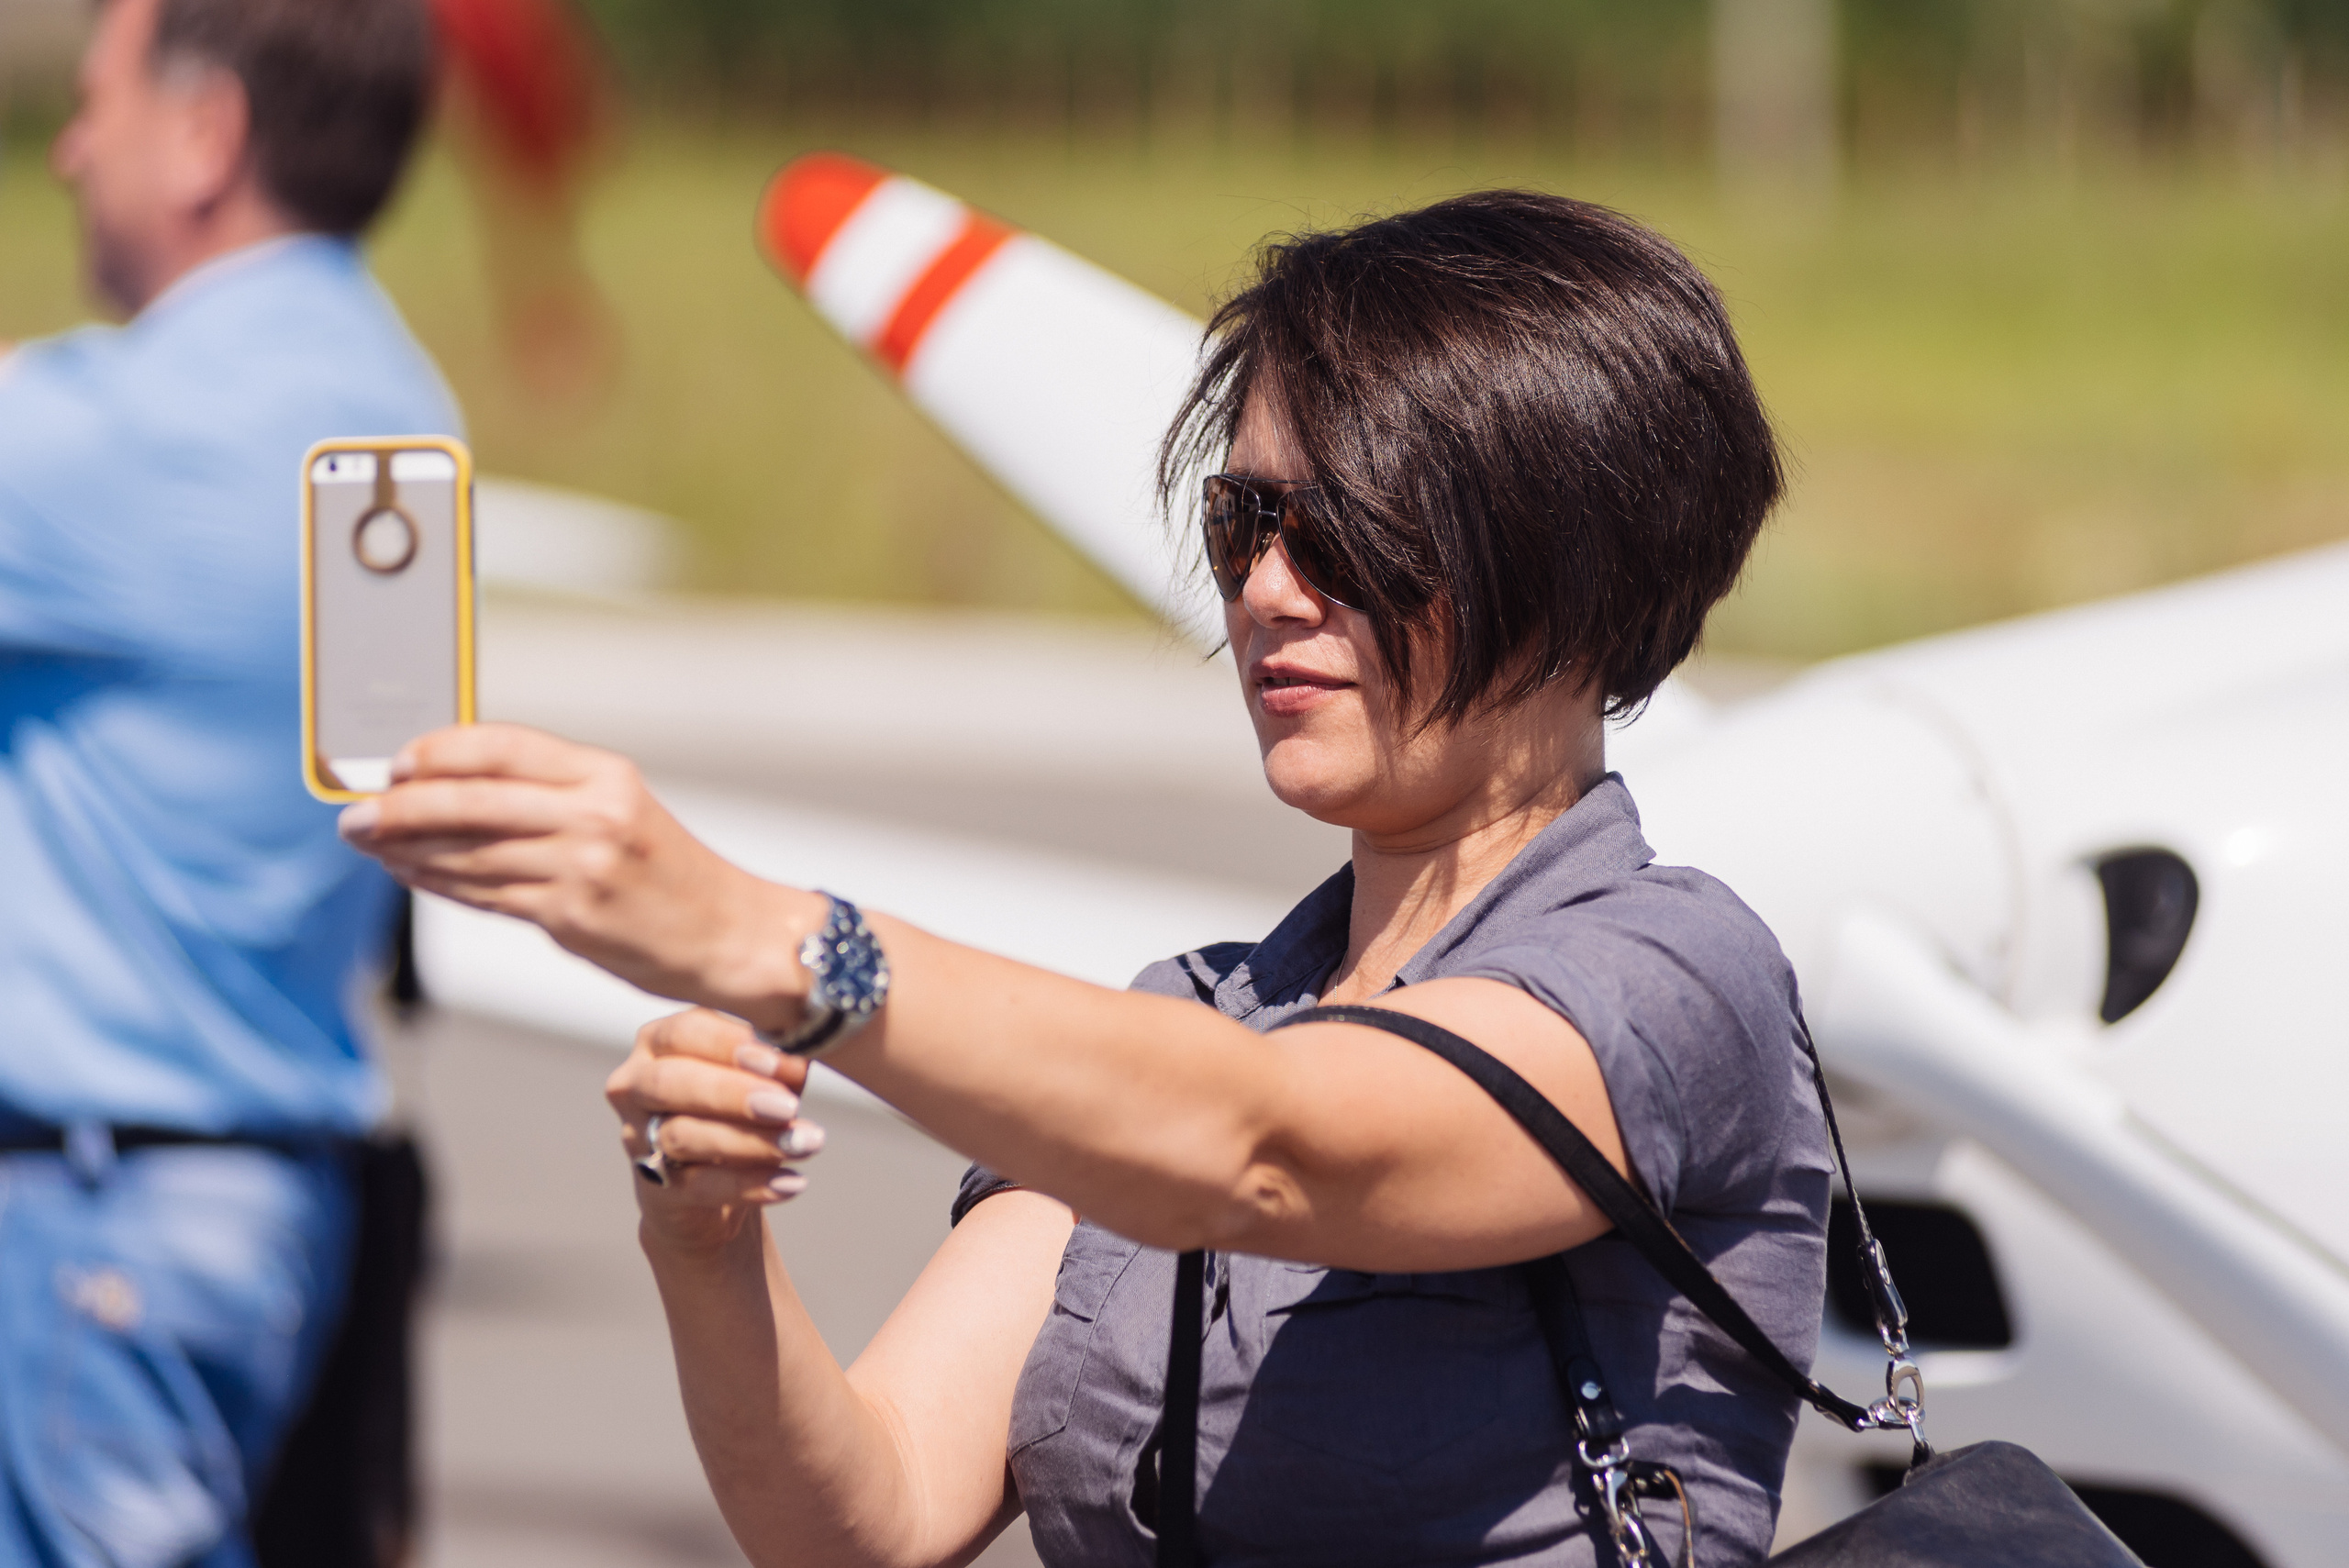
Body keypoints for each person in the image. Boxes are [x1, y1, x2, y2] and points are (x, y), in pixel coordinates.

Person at [343, 190, 1828, 1566]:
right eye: (1245, 523)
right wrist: (705, 1241)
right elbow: (870, 1512)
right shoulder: (1184, 1026)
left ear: (1575, 576)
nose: (1266, 589)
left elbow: (1273, 1146)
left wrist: (766, 942)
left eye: (1350, 532)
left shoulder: (1678, 977)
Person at [0, 1, 453, 1563]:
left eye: (98, 102)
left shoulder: (117, 440)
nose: (69, 148)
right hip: (269, 1200)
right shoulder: (395, 412)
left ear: (207, 135)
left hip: (89, 1219)